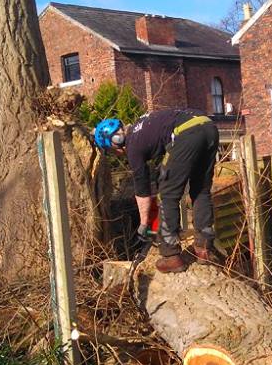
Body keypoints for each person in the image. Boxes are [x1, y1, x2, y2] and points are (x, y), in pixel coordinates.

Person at [94, 109, 220, 274]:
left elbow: (142, 189)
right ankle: (204, 249)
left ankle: (171, 255)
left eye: (111, 151)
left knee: (166, 194)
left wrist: (145, 224)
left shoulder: (132, 144)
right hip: (208, 127)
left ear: (115, 141)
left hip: (186, 134)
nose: (117, 155)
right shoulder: (141, 129)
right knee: (201, 190)